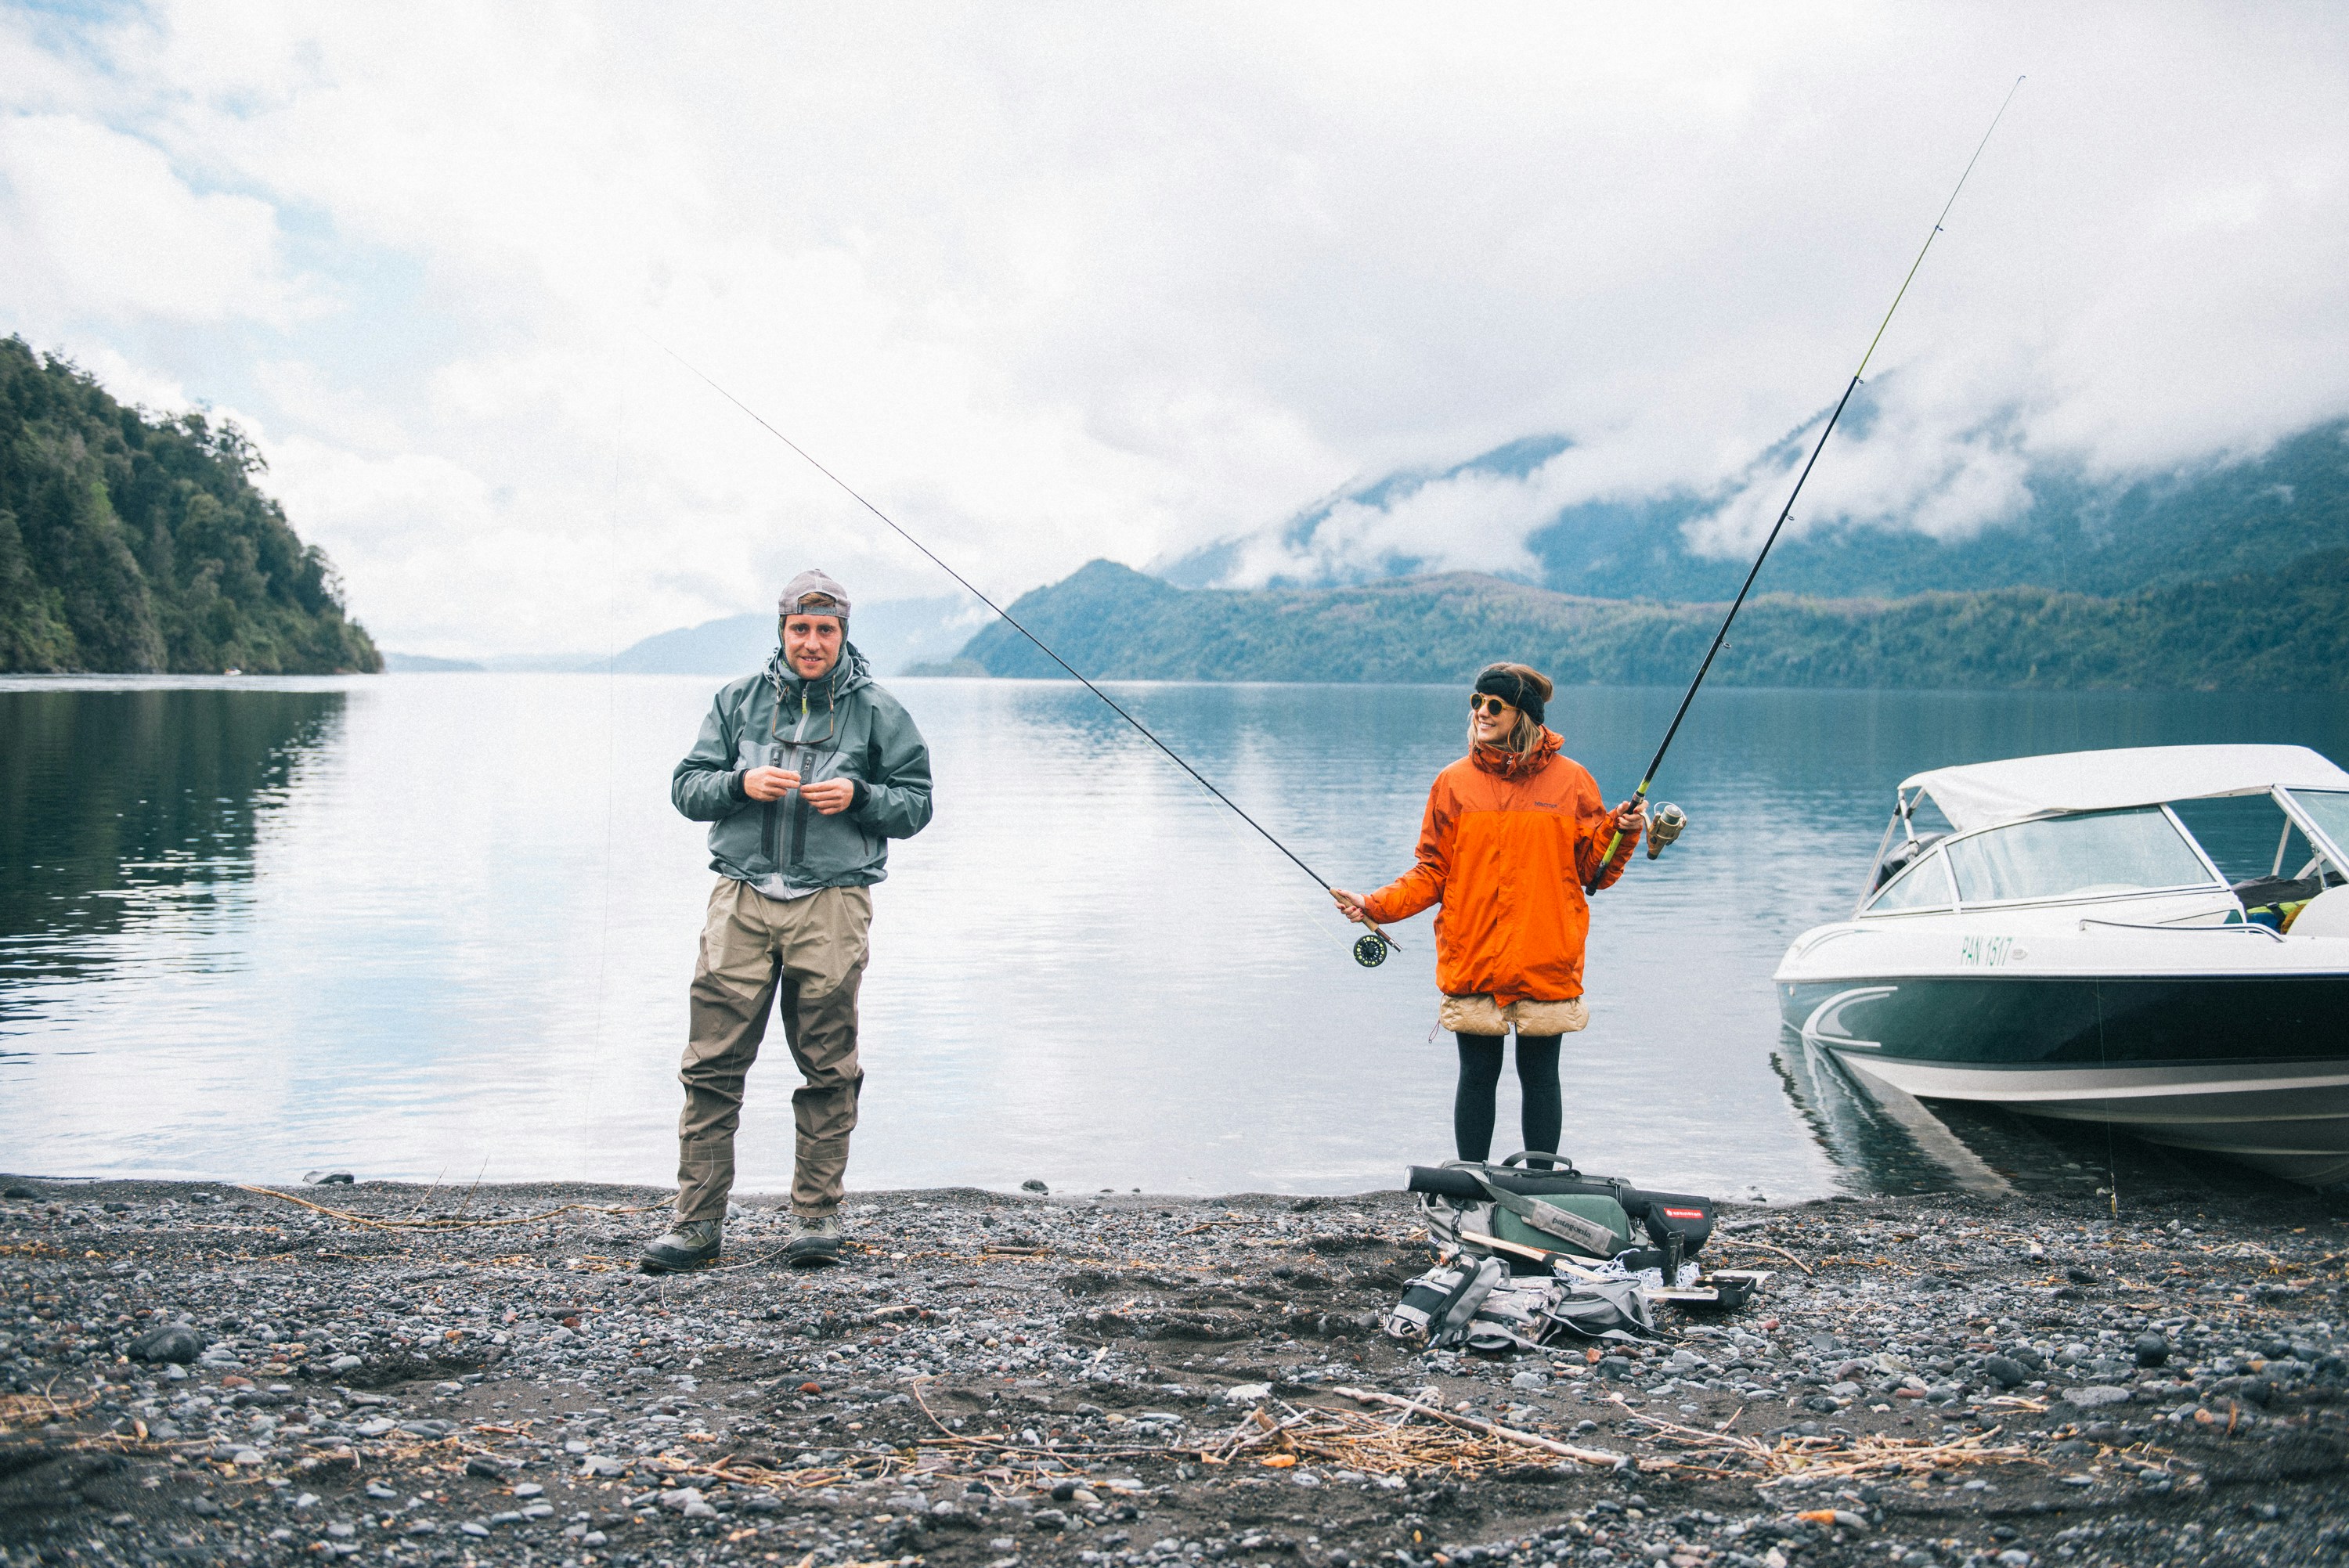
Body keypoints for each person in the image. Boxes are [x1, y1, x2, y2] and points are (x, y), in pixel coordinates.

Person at [641, 569, 934, 1271]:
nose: (811, 642)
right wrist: (739, 784)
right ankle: (696, 1225)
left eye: (824, 630)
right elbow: (687, 787)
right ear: (782, 631)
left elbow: (916, 803)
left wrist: (862, 796)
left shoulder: (878, 711)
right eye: (799, 629)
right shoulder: (736, 701)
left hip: (832, 902)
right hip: (739, 898)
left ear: (842, 634)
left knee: (828, 1067)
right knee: (711, 1065)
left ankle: (816, 1220)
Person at [1330, 664, 1644, 1168]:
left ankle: (1539, 1186)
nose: (1481, 712)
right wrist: (1375, 905)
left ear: (1524, 715)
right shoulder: (1453, 782)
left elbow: (1593, 872)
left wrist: (1622, 832)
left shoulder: (1573, 782)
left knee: (1541, 1075)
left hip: (1545, 954)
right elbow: (1433, 871)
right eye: (1476, 701)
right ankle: (1472, 1185)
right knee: (1477, 1075)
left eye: (1494, 705)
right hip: (1473, 951)